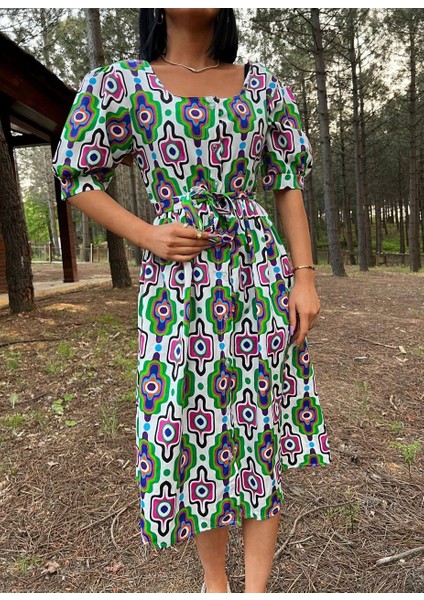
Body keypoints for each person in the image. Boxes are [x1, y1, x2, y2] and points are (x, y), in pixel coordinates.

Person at [52, 8, 331, 593]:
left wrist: (304, 276)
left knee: (257, 427)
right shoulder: (122, 83)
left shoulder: (264, 86)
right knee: (198, 435)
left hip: (257, 279)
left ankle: (255, 589)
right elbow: (75, 175)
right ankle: (216, 584)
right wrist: (146, 234)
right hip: (179, 287)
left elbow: (287, 184)